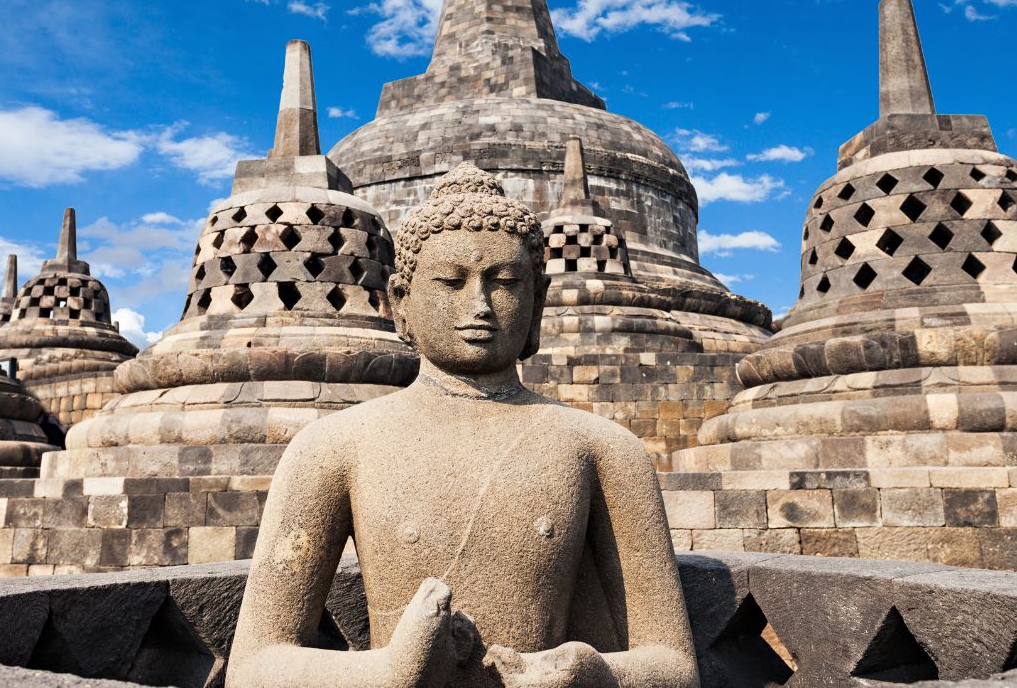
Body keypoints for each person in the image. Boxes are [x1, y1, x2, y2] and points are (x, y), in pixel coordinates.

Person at [227, 163, 699, 688]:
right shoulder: (333, 448)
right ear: (400, 303)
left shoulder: (603, 448)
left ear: (537, 301)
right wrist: (384, 672)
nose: (479, 306)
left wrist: (596, 673)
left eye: (505, 282)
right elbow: (253, 666)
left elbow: (674, 665)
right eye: (451, 282)